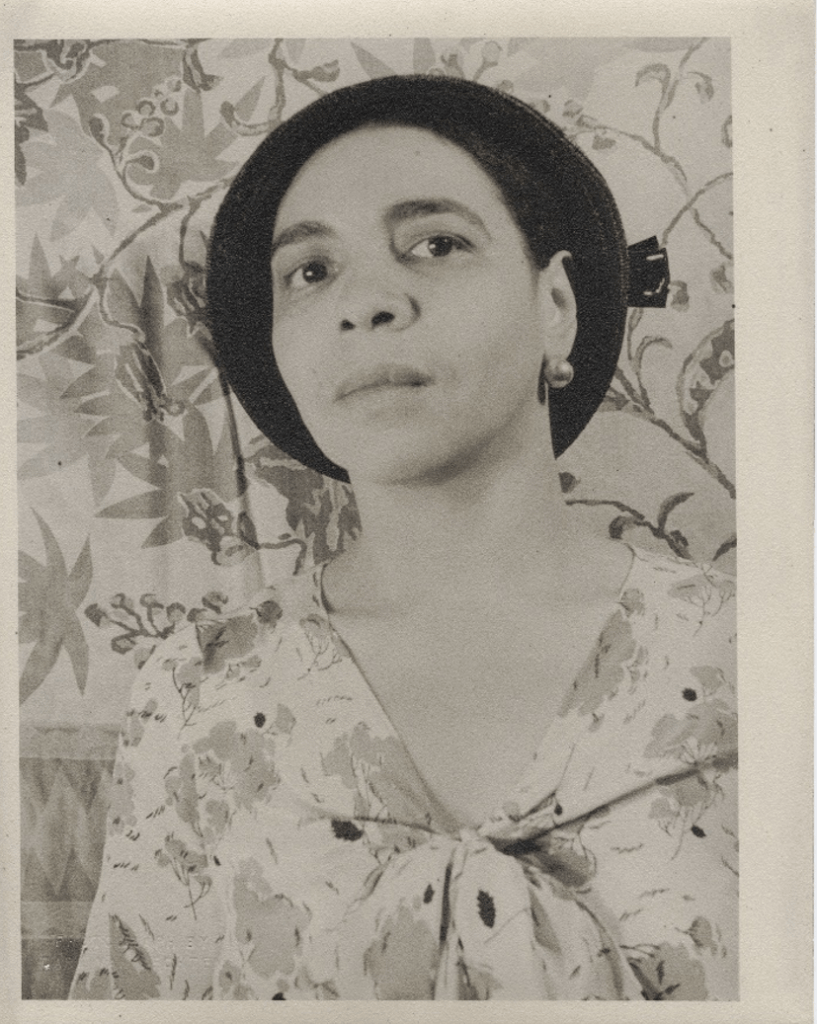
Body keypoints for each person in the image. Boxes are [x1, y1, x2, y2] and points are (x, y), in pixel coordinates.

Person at [69, 75, 737, 1001]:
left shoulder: (755, 651)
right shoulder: (196, 691)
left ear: (555, 306)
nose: (367, 302)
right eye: (311, 271)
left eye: (436, 244)